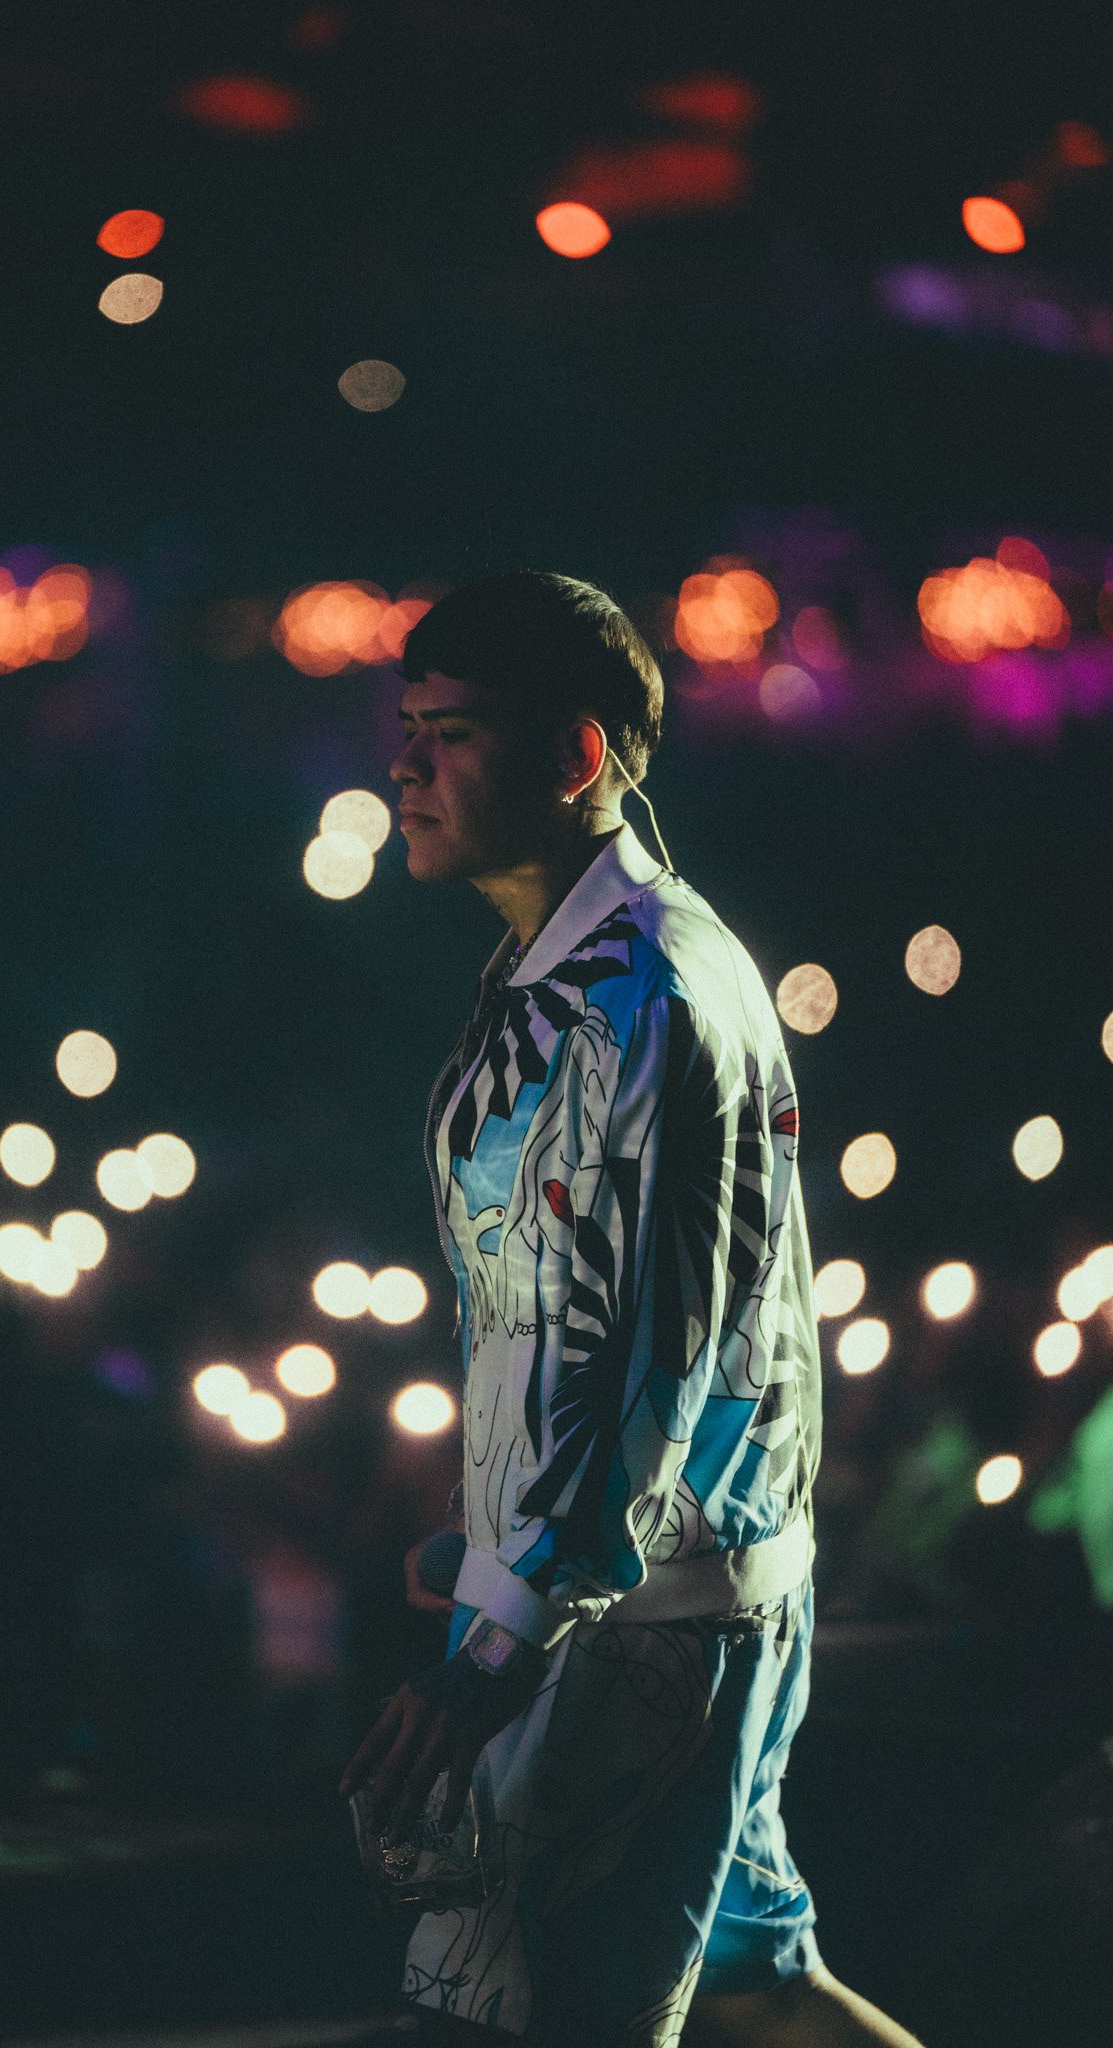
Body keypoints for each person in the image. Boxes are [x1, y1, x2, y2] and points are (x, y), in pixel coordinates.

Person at [339, 574, 925, 2048]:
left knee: (513, 2018)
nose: (403, 765)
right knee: (760, 1990)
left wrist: (499, 1637)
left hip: (630, 1627)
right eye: (406, 727)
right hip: (686, 1584)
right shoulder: (612, 962)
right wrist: (487, 1538)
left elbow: (623, 1358)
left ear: (575, 755)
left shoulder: (629, 997)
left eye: (450, 732)